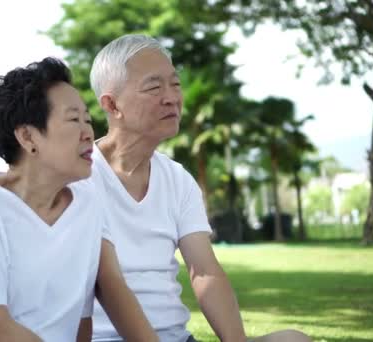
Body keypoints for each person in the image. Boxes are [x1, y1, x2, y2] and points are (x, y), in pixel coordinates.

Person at [0, 57, 157, 342]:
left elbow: (80, 324)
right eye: (73, 119)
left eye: (87, 119)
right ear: (27, 136)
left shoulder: (87, 204)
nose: (88, 132)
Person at [88, 34, 312, 342]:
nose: (172, 98)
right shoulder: (78, 176)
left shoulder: (178, 180)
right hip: (106, 339)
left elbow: (204, 271)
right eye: (154, 87)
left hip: (176, 338)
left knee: (293, 340)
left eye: (175, 84)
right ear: (112, 105)